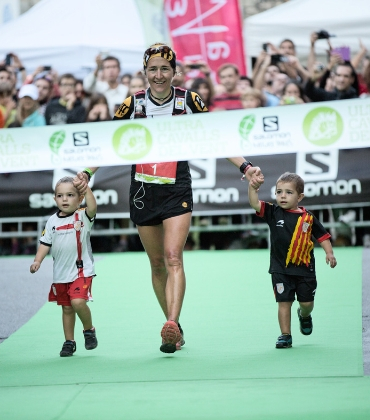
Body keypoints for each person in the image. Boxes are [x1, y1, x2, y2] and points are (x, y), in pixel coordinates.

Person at [73, 43, 263, 354]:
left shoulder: (189, 100)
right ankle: (174, 326)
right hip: (143, 190)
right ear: (144, 73)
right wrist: (86, 172)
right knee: (157, 263)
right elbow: (109, 143)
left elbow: (216, 135)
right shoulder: (131, 105)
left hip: (177, 187)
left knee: (174, 256)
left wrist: (245, 165)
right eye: (153, 69)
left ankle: (172, 323)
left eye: (165, 68)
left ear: (174, 72)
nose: (159, 74)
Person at [248, 172, 337, 349]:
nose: (282, 196)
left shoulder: (308, 218)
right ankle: (285, 335)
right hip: (280, 269)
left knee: (306, 303)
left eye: (288, 192)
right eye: (279, 191)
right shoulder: (273, 212)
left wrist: (329, 253)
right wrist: (252, 188)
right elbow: (254, 203)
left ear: (300, 197)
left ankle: (304, 315)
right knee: (284, 302)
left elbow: (322, 236)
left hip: (305, 269)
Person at [30, 176, 98, 357]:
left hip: (81, 271)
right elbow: (45, 243)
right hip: (60, 274)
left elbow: (93, 207)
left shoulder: (83, 216)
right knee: (67, 308)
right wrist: (37, 260)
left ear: (80, 198)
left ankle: (88, 330)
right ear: (55, 199)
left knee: (77, 301)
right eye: (60, 196)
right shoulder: (52, 221)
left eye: (70, 195)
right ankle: (69, 342)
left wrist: (86, 188)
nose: (65, 199)